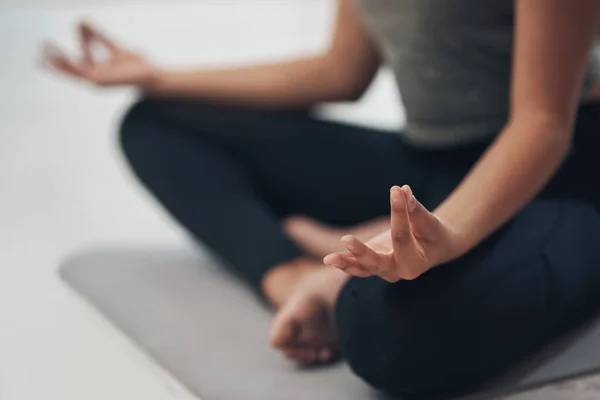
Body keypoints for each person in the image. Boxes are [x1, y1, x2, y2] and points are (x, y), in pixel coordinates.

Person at [42, 0, 600, 398]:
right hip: (430, 161)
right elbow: (339, 70)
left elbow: (544, 124)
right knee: (157, 124)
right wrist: (159, 76)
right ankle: (295, 276)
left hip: (562, 173)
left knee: (381, 338)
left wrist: (447, 237)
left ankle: (347, 274)